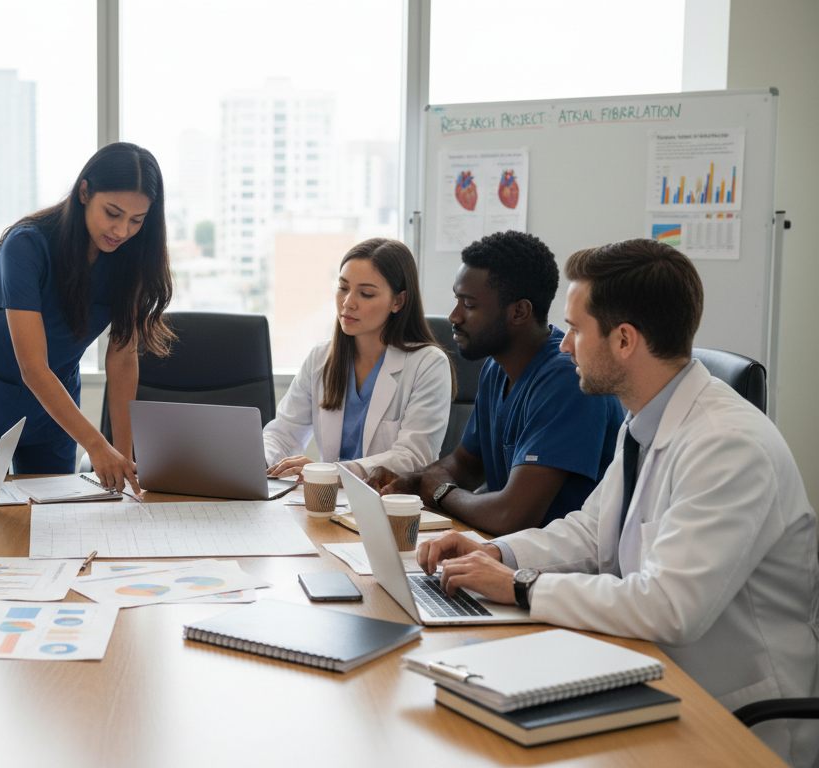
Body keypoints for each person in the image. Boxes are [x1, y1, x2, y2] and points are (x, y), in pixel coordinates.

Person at [418, 239, 819, 767]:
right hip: (645, 675)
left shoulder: (728, 445)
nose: (564, 347)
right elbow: (590, 530)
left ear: (625, 340)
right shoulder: (644, 420)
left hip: (731, 719)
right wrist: (498, 555)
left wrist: (520, 586)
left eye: (577, 330)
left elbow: (669, 607)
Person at [0, 142, 174, 493]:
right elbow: (33, 366)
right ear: (84, 192)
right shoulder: (26, 245)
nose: (122, 230)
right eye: (112, 213)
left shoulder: (130, 259)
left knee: (56, 521)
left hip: (56, 409)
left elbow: (123, 360)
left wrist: (121, 458)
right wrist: (96, 445)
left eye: (136, 220)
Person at [369, 231, 623, 536]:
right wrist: (410, 481)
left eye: (469, 304)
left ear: (519, 312)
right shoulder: (496, 367)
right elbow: (465, 465)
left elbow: (511, 516)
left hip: (561, 570)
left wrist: (440, 493)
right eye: (456, 300)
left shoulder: (568, 379)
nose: (454, 316)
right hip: (507, 553)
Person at [263, 238, 453, 481]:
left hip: (388, 506)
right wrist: (262, 458)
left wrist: (331, 473)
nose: (347, 302)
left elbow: (413, 457)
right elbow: (283, 434)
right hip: (327, 503)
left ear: (398, 301)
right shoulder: (321, 358)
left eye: (365, 293)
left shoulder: (428, 364)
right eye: (343, 287)